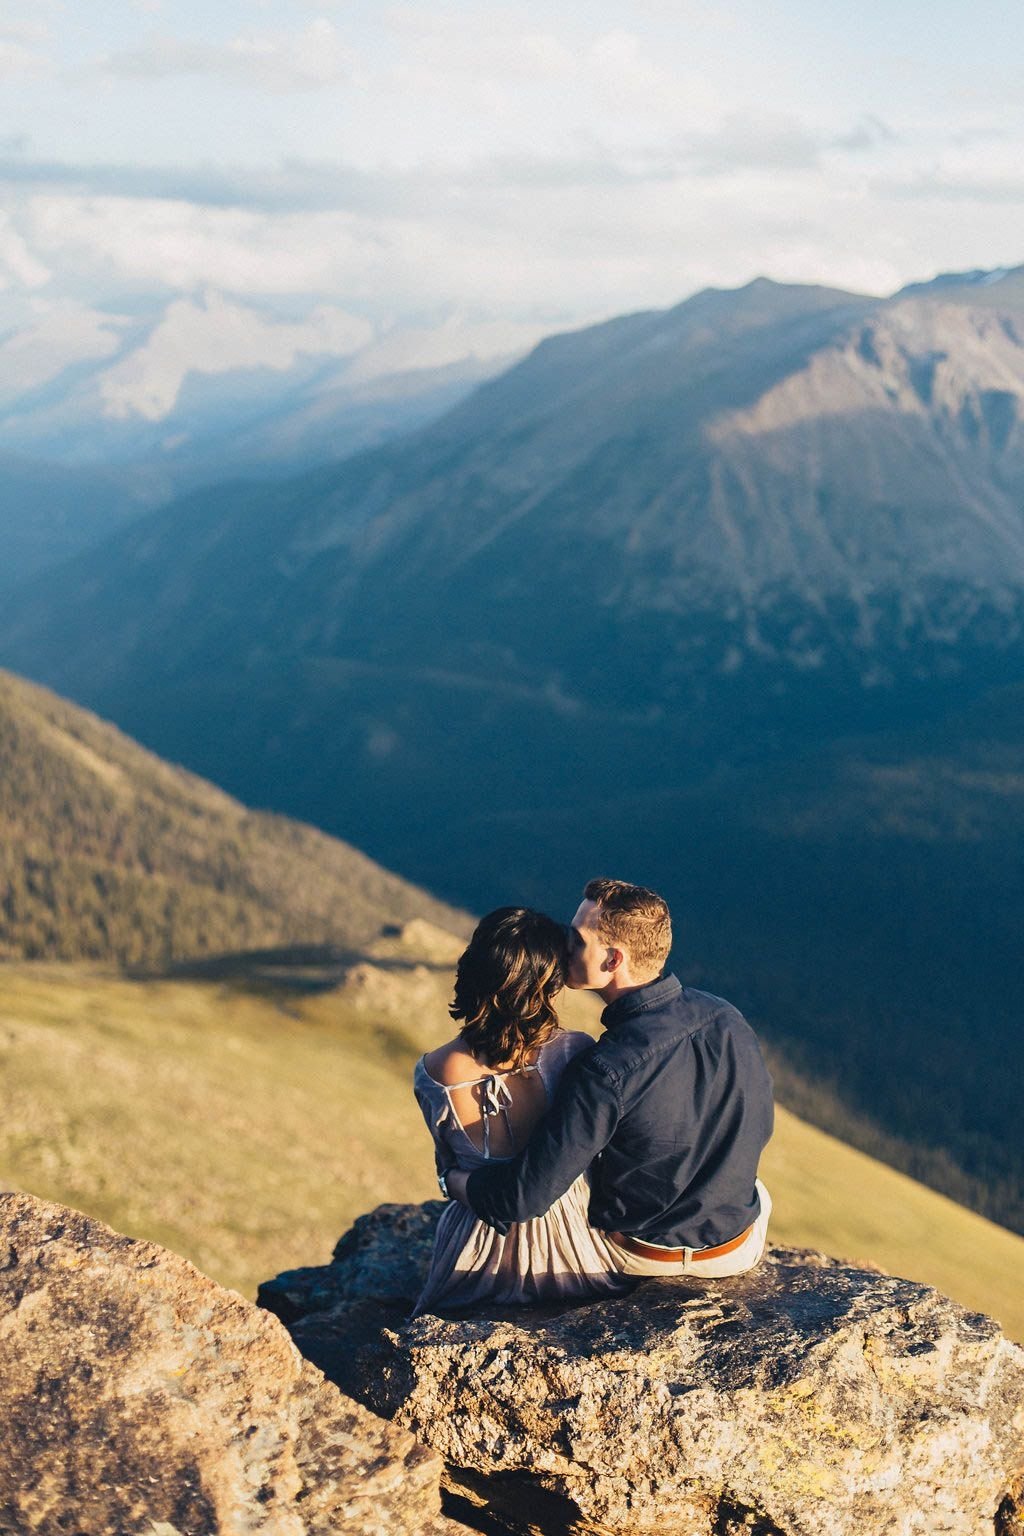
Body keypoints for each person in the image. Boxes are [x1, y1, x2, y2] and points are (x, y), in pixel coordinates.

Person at [446, 878, 775, 1280]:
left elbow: (522, 1200)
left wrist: (455, 1180)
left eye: (578, 939)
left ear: (613, 960)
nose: (565, 945)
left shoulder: (604, 1069)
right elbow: (760, 1123)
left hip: (650, 1259)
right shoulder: (725, 1016)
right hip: (740, 1244)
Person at [411, 905, 632, 1315]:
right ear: (546, 985)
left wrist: (451, 1182)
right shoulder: (575, 1052)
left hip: (475, 1248)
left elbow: (448, 1164)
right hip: (572, 1248)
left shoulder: (434, 1073)